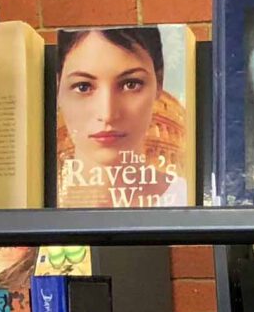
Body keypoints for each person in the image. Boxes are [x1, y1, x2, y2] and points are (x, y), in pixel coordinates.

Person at [54, 26, 191, 207]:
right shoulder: (33, 200)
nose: (107, 114)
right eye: (83, 87)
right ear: (58, 87)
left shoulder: (184, 197)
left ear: (159, 84)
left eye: (130, 84)